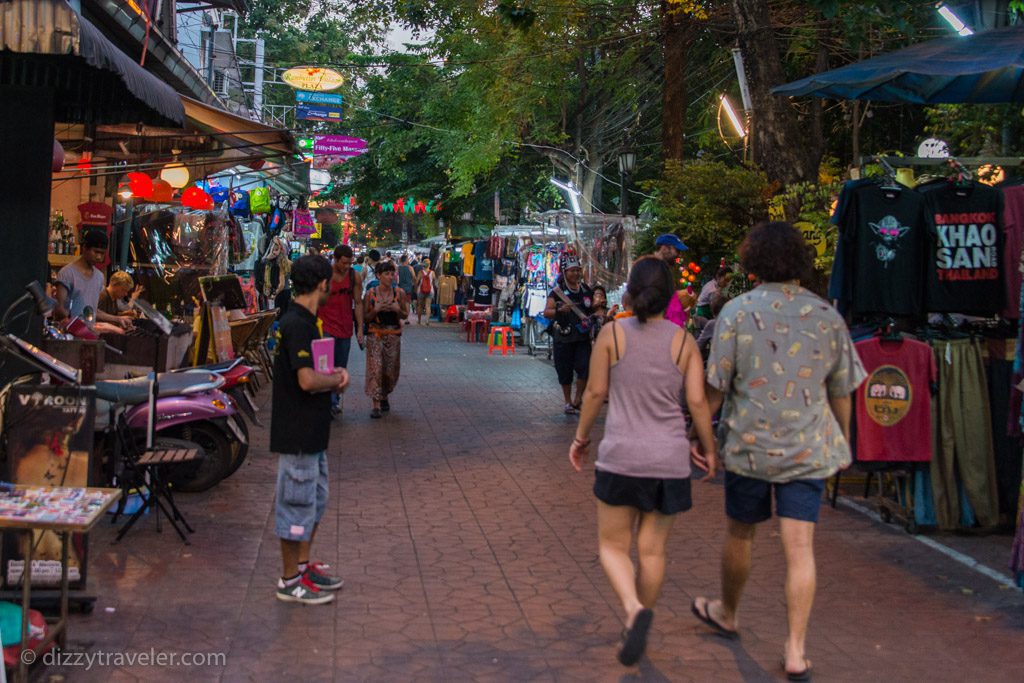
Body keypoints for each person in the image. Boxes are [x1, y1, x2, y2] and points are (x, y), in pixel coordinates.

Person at [691, 222, 866, 681]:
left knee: (740, 533)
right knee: (800, 547)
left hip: (749, 445)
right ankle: (795, 649)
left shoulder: (736, 312)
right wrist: (843, 441)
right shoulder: (826, 314)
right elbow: (842, 390)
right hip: (808, 447)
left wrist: (698, 435)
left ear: (753, 263)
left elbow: (716, 386)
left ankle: (728, 612)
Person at [569, 256, 718, 666]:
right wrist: (707, 446)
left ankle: (634, 610)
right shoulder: (684, 342)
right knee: (652, 552)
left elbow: (595, 393)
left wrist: (581, 439)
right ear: (670, 294)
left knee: (612, 547)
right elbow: (697, 401)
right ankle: (639, 620)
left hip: (621, 456)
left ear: (630, 293)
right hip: (668, 460)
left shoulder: (612, 335)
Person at [271, 255, 350, 605]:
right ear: (321, 284)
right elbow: (305, 380)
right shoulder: (298, 323)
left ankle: (302, 566)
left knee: (313, 503)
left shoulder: (309, 321)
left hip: (312, 433)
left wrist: (331, 375)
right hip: (298, 432)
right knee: (296, 505)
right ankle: (289, 580)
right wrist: (335, 379)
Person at [543, 253, 594, 414]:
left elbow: (592, 309)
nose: (576, 274)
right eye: (572, 271)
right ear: (564, 272)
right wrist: (558, 310)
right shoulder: (557, 292)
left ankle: (578, 399)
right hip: (563, 336)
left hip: (582, 337)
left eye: (578, 270)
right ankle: (568, 401)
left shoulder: (586, 290)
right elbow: (546, 312)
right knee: (564, 370)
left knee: (584, 367)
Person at [318, 245, 365, 417]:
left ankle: (333, 400)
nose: (346, 266)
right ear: (336, 259)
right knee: (324, 367)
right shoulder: (324, 276)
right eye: (344, 263)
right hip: (324, 327)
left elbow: (358, 303)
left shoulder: (354, 276)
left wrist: (359, 329)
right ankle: (327, 402)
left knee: (339, 367)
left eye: (349, 263)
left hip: (345, 328)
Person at [54, 230, 130, 329]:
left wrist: (118, 319)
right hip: (68, 336)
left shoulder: (99, 277)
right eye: (96, 252)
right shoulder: (67, 273)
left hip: (88, 336)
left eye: (102, 253)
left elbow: (93, 312)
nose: (99, 257)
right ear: (85, 248)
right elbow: (59, 309)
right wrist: (77, 326)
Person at [364, 260, 409, 418]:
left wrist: (398, 310)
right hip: (375, 334)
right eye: (387, 274)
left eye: (392, 273)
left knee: (390, 370)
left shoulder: (400, 293)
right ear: (378, 275)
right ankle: (376, 403)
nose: (390, 277)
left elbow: (405, 314)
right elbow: (365, 317)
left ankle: (384, 394)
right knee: (375, 368)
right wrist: (375, 310)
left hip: (393, 335)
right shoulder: (371, 293)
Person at [653, 233, 691, 328]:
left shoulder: (662, 267)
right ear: (664, 248)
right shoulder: (655, 268)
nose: (679, 255)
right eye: (677, 250)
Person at [414, 258, 436, 326]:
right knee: (428, 306)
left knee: (420, 306)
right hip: (430, 290)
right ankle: (427, 321)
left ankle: (419, 320)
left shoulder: (420, 272)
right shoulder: (432, 273)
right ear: (429, 265)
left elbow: (417, 282)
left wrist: (415, 288)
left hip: (421, 290)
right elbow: (434, 282)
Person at [397, 255, 416, 324]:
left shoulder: (398, 268)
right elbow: (414, 277)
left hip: (400, 288)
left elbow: (396, 278)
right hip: (408, 288)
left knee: (400, 303)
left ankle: (398, 318)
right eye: (408, 259)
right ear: (406, 260)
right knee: (407, 303)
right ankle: (406, 319)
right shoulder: (410, 268)